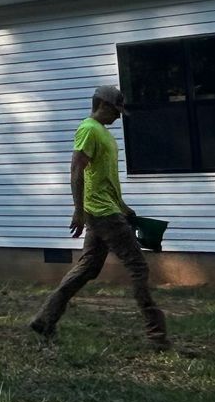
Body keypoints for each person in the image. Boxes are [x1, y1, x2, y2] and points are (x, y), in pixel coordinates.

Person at [28, 82, 170, 349]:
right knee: (138, 267)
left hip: (106, 209)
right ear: (102, 105)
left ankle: (44, 320)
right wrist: (79, 211)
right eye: (115, 110)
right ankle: (157, 336)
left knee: (87, 268)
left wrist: (124, 206)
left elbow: (106, 179)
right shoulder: (88, 130)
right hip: (101, 213)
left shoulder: (104, 134)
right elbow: (76, 171)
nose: (118, 115)